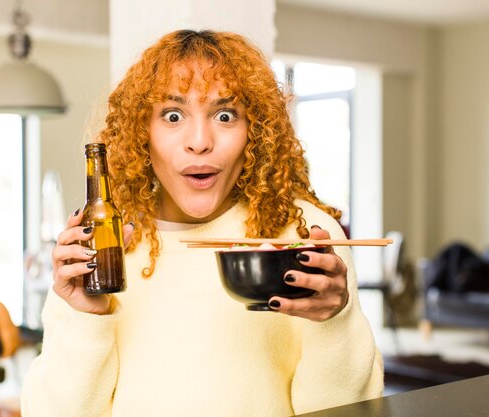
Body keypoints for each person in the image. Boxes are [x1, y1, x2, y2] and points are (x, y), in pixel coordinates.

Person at [21, 29, 383, 417]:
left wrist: (334, 322)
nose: (199, 141)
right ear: (142, 131)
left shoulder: (302, 232)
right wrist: (85, 317)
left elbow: (351, 412)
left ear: (255, 132)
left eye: (225, 115)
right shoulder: (101, 245)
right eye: (173, 115)